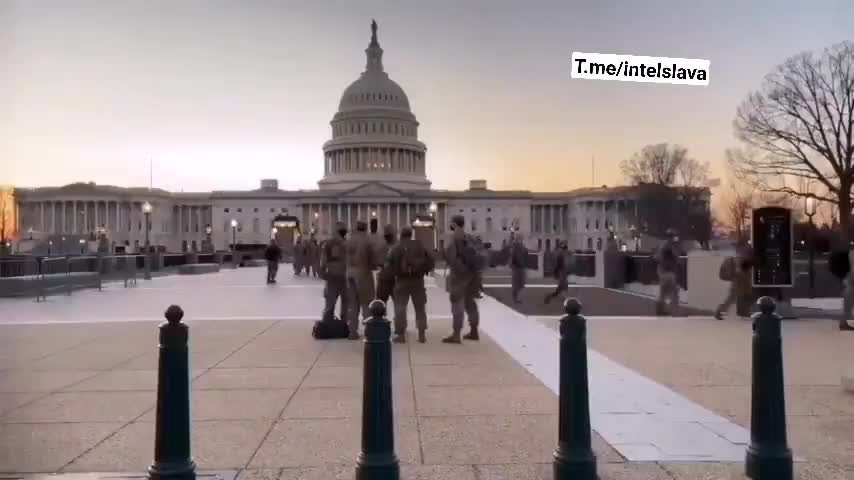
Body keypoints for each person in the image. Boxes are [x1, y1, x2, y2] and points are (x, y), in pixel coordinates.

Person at [387, 225, 435, 343]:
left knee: (400, 308)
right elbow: (430, 260)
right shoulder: (419, 246)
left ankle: (401, 335)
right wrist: (424, 271)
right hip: (418, 281)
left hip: (401, 281)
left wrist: (395, 272)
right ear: (411, 234)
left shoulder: (396, 247)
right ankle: (421, 333)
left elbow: (388, 264)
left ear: (401, 235)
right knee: (420, 308)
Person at [442, 214, 482, 344]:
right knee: (470, 303)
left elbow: (450, 256)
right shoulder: (469, 237)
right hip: (472, 275)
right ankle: (474, 330)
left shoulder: (453, 238)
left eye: (451, 222)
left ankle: (456, 334)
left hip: (459, 276)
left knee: (457, 303)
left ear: (454, 224)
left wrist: (459, 269)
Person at [345, 220, 376, 339]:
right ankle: (369, 331)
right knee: (366, 303)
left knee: (353, 304)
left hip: (349, 273)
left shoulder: (349, 240)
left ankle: (352, 331)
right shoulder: (367, 241)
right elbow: (372, 259)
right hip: (362, 273)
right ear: (365, 228)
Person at [714, 239, 754, 320]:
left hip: (739, 278)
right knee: (737, 296)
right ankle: (720, 311)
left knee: (737, 296)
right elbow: (740, 268)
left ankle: (743, 312)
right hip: (740, 278)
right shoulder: (741, 255)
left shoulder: (740, 254)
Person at [320, 222, 349, 323]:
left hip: (333, 276)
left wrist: (323, 273)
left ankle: (328, 322)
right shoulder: (346, 243)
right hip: (343, 276)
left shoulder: (328, 243)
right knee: (345, 302)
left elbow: (323, 261)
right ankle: (344, 323)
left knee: (330, 303)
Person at [654, 229, 682, 315]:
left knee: (664, 291)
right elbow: (675, 258)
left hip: (663, 270)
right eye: (674, 236)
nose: (675, 238)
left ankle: (661, 309)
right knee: (673, 290)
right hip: (667, 271)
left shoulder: (664, 245)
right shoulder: (668, 246)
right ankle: (672, 310)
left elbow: (656, 257)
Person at [375, 224, 397, 303]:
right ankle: (399, 316)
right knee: (399, 304)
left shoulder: (381, 246)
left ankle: (381, 315)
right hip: (396, 278)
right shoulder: (398, 246)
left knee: (380, 303)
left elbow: (377, 262)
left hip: (383, 278)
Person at [544, 240, 571, 304]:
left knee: (563, 284)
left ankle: (557, 296)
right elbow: (558, 262)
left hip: (562, 270)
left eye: (565, 244)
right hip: (561, 270)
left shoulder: (562, 252)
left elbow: (563, 261)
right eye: (564, 244)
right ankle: (562, 296)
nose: (565, 245)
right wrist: (556, 271)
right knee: (563, 284)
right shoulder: (560, 252)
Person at [509, 231, 528, 303]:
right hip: (516, 267)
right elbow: (513, 255)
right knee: (516, 284)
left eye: (521, 238)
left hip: (521, 267)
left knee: (521, 283)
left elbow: (525, 252)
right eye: (520, 238)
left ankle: (517, 298)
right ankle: (515, 299)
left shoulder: (522, 246)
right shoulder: (514, 246)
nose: (521, 239)